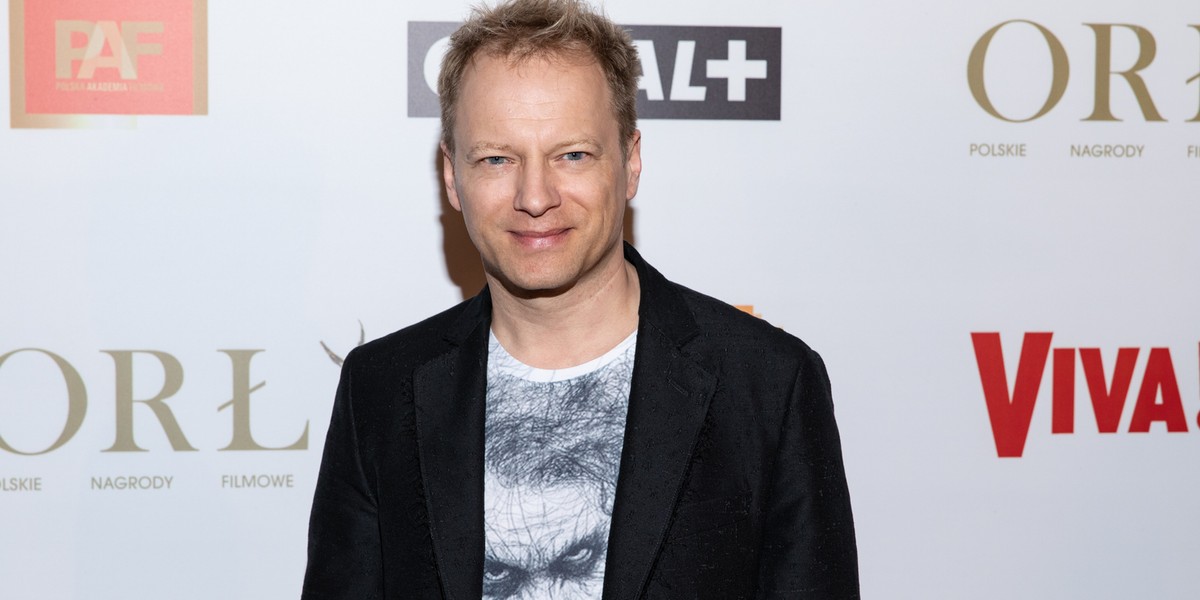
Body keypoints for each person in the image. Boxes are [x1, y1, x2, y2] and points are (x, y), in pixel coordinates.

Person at [302, 0, 858, 597]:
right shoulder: (380, 389)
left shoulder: (767, 385)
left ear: (631, 162)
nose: (535, 196)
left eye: (572, 155)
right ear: (451, 176)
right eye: (497, 159)